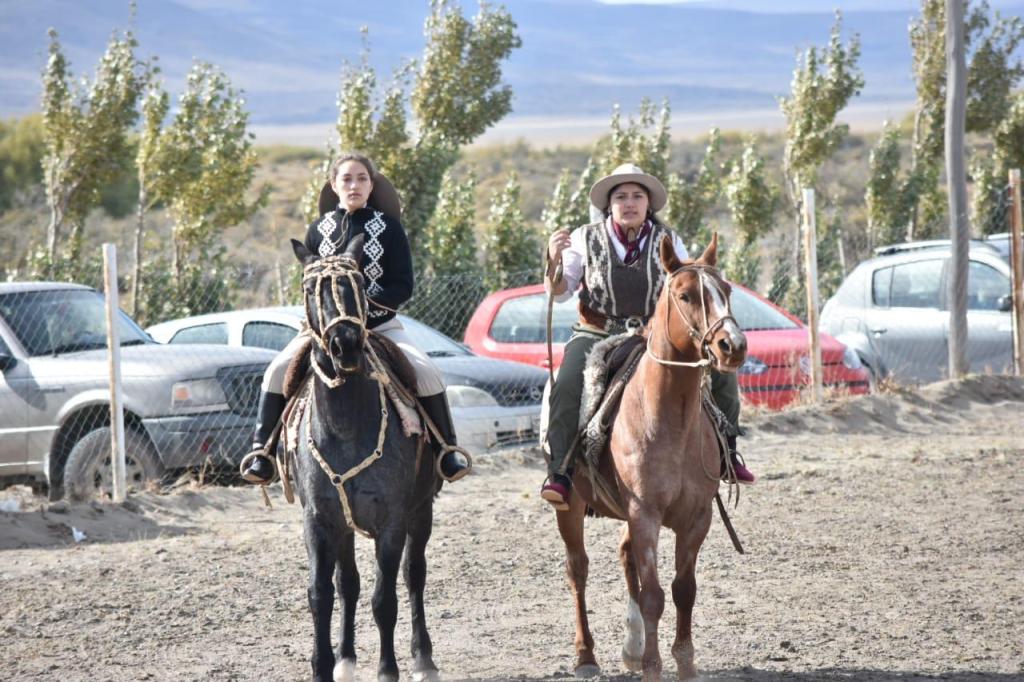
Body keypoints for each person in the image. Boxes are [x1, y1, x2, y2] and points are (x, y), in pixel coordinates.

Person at [240, 152, 470, 485]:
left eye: (362, 178)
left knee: (427, 373)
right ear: (334, 185)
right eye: (346, 179)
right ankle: (262, 454)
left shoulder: (390, 229)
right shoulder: (317, 231)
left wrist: (363, 306)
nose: (354, 185)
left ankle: (448, 452)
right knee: (275, 372)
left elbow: (403, 285)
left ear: (371, 185)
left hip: (381, 327)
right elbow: (311, 287)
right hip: (325, 331)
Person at [540, 163, 755, 510]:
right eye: (621, 197)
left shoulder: (669, 240)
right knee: (566, 383)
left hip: (651, 335)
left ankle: (728, 452)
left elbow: (688, 280)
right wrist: (554, 262)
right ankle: (561, 472)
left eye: (637, 196)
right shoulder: (584, 237)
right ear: (609, 205)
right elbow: (561, 292)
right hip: (597, 332)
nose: (629, 203)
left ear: (648, 204)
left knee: (722, 372)